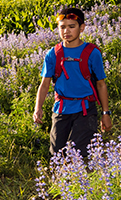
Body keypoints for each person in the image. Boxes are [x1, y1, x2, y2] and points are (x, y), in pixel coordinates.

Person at [33, 7, 112, 158]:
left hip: (86, 110)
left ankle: (78, 180)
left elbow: (101, 84)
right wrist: (38, 108)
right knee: (56, 154)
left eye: (71, 26)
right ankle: (60, 181)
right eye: (62, 27)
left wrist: (105, 113)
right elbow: (44, 84)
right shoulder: (53, 54)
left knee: (79, 154)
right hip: (61, 109)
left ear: (81, 28)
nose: (66, 31)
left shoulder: (92, 53)